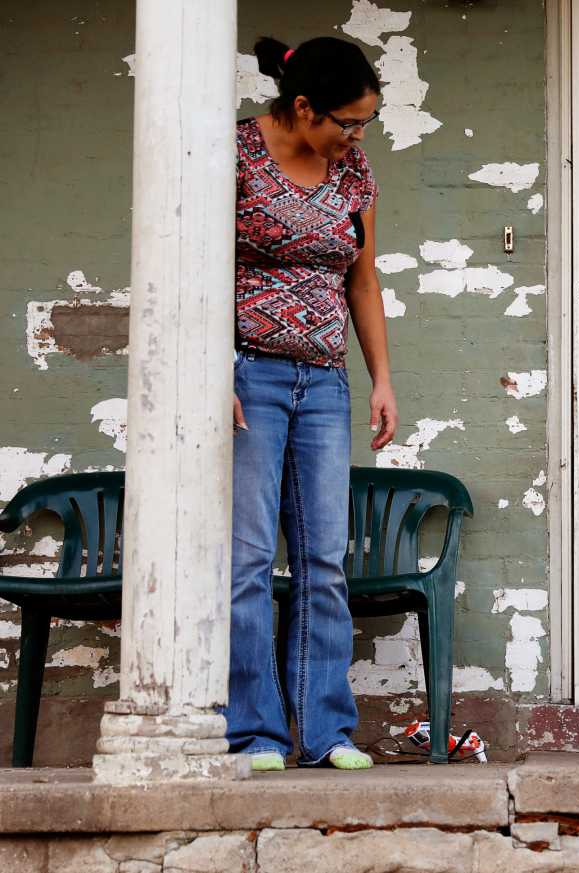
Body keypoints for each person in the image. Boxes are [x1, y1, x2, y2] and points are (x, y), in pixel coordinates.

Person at [229, 35, 398, 772]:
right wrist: (211, 373)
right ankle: (255, 733)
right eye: (348, 123)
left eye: (365, 125)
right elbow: (194, 263)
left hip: (324, 382)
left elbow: (361, 277)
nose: (356, 138)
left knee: (325, 560)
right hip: (249, 377)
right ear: (303, 107)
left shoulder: (351, 170)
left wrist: (381, 378)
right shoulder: (234, 155)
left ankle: (326, 731)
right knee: (249, 560)